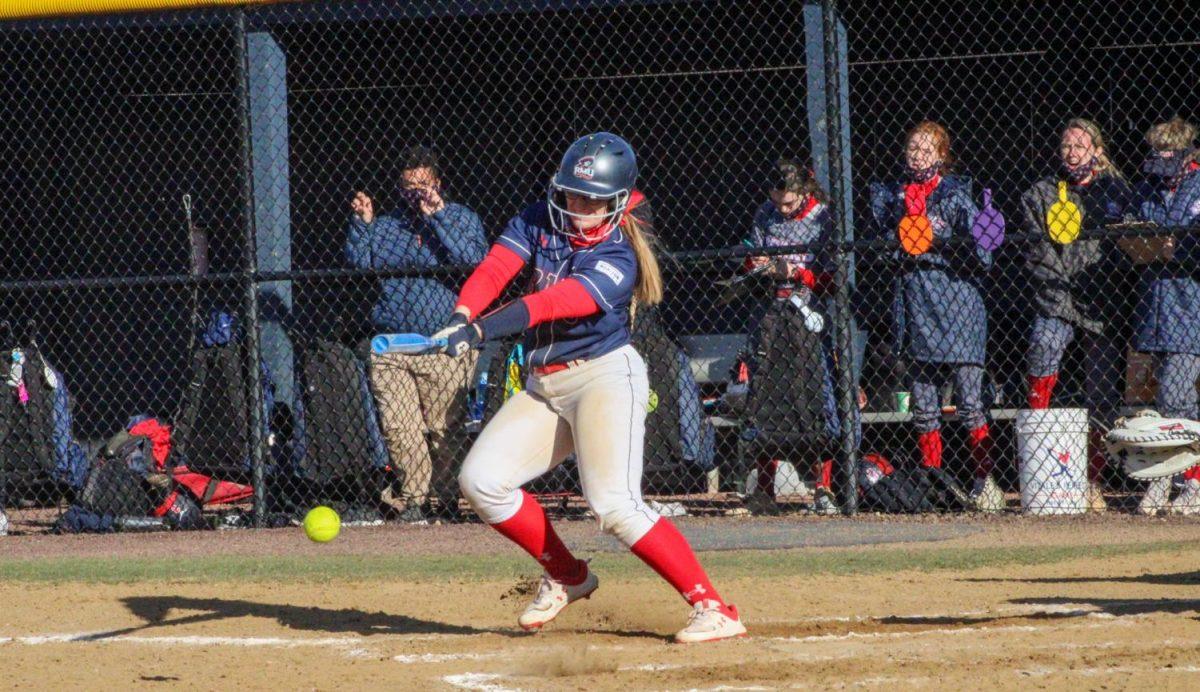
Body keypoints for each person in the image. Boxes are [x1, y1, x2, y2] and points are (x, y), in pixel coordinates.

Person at [437, 132, 747, 643]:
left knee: (614, 506)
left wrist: (479, 331)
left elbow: (552, 304)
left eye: (592, 200)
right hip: (546, 385)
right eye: (572, 194)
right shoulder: (539, 217)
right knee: (482, 483)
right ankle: (567, 574)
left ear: (617, 203)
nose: (578, 207)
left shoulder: (619, 257)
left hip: (603, 379)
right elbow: (497, 267)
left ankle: (714, 607)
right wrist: (461, 313)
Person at [345, 146, 488, 523]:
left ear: (438, 184)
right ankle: (415, 502)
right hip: (392, 343)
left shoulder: (461, 218)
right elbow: (362, 265)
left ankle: (446, 502)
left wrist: (437, 216)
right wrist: (362, 225)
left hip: (443, 341)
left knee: (445, 431)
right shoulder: (389, 224)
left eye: (424, 186)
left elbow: (472, 262)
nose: (416, 194)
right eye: (410, 187)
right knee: (399, 427)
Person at [869, 121, 998, 511]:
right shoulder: (892, 197)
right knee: (924, 408)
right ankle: (932, 483)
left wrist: (938, 241)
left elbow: (984, 255)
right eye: (912, 148)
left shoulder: (957, 196)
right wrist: (903, 241)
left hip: (958, 306)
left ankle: (984, 481)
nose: (917, 155)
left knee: (970, 401)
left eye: (926, 150)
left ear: (942, 155)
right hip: (916, 305)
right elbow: (880, 251)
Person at [1021, 118, 1135, 512]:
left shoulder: (1117, 192)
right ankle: (1037, 457)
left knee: (1100, 389)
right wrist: (1063, 285)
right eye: (1066, 145)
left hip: (1101, 298)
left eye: (1081, 146)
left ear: (1097, 151)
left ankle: (1093, 481)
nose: (1072, 153)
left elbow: (1128, 247)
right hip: (1058, 294)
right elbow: (1037, 252)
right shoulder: (1041, 193)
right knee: (1044, 344)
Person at [740, 159, 841, 516]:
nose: (782, 209)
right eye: (777, 201)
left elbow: (834, 281)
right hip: (771, 314)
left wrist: (797, 272)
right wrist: (758, 265)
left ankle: (823, 488)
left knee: (816, 399)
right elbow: (748, 256)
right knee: (765, 396)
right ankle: (765, 490)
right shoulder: (765, 214)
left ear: (805, 192)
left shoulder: (823, 218)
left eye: (789, 203)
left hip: (809, 316)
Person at [1132, 117, 1200, 514]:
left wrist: (1184, 251)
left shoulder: (1197, 185)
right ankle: (1167, 478)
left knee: (1176, 396)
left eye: (1165, 154)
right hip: (1155, 305)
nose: (1158, 161)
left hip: (1190, 305)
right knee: (1169, 403)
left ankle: (1188, 482)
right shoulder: (1150, 187)